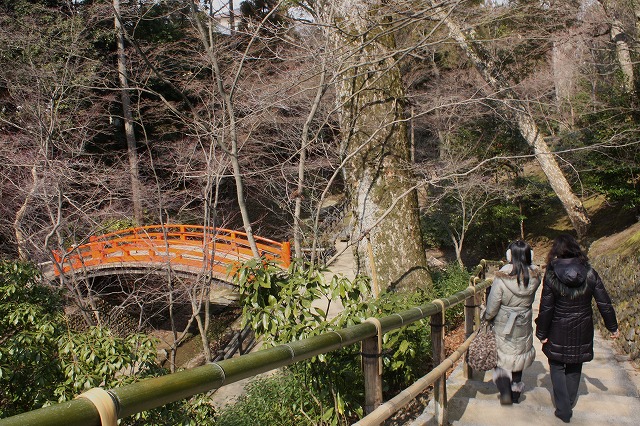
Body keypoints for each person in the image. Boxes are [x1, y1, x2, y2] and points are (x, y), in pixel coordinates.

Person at [535, 234, 619, 423]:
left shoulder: (551, 273)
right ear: (575, 248)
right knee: (575, 365)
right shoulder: (589, 272)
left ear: (556, 250)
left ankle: (563, 408)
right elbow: (604, 302)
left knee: (556, 364)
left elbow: (546, 307)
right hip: (583, 327)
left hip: (557, 327)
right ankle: (569, 403)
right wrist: (613, 327)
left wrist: (541, 332)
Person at [484, 240, 542, 405]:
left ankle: (505, 391)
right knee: (518, 355)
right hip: (523, 320)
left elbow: (493, 303)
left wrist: (487, 316)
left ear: (509, 255)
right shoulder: (535, 276)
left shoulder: (502, 277)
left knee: (501, 357)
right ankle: (516, 392)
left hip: (504, 322)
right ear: (530, 255)